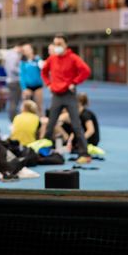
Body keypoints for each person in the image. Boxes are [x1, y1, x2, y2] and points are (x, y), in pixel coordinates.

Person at [41, 34, 92, 163]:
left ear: (66, 45)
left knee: (76, 125)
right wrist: (48, 84)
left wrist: (74, 82)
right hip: (56, 96)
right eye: (55, 44)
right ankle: (43, 151)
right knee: (50, 125)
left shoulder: (73, 58)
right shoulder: (52, 58)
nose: (57, 46)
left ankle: (84, 154)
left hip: (69, 95)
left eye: (59, 44)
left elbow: (86, 71)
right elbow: (44, 72)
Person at [20, 42, 44, 117]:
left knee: (39, 106)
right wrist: (24, 88)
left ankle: (40, 122)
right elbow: (22, 76)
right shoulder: (23, 62)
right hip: (27, 87)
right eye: (24, 50)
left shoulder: (37, 59)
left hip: (38, 86)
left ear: (32, 50)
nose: (26, 51)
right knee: (26, 107)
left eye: (28, 49)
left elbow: (43, 70)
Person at [3, 42, 23, 122]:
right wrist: (23, 71)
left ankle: (14, 119)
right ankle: (13, 120)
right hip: (15, 81)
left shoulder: (9, 54)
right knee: (14, 102)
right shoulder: (14, 55)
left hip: (12, 80)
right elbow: (12, 68)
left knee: (14, 102)